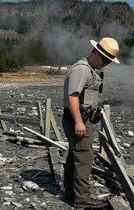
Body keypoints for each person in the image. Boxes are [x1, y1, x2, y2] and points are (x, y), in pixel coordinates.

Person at [62, 37, 120, 209]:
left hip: (81, 118)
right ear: (95, 52)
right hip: (76, 119)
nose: (105, 63)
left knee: (75, 156)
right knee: (84, 157)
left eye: (108, 61)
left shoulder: (90, 70)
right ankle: (82, 200)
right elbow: (72, 96)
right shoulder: (82, 69)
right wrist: (79, 121)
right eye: (104, 59)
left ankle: (71, 192)